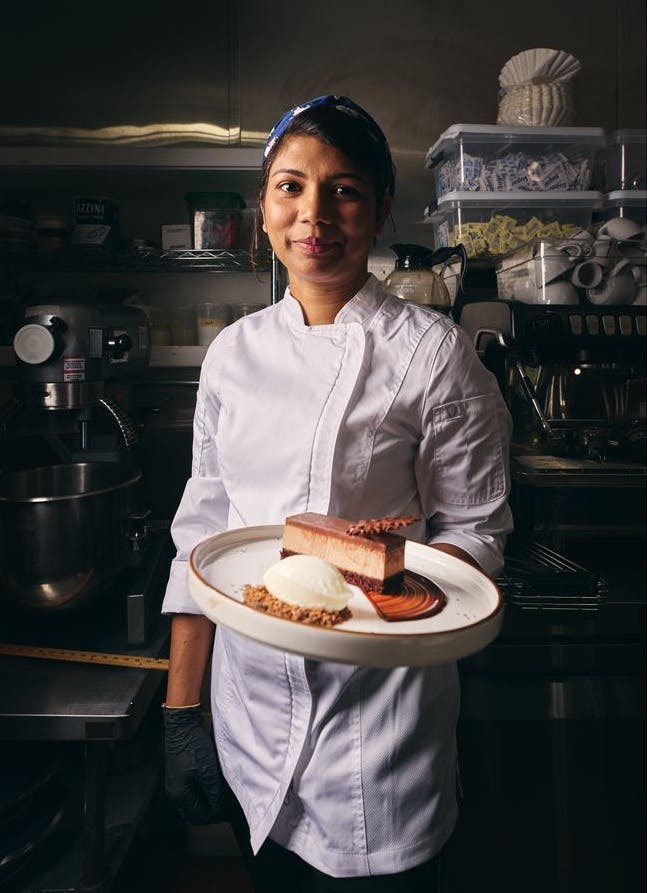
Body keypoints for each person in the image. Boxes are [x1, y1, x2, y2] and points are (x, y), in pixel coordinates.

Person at [161, 94, 513, 892]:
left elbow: (476, 529)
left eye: (343, 190)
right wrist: (183, 712)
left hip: (378, 734)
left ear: (381, 208)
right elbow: (201, 536)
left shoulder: (434, 354)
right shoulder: (232, 355)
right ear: (262, 206)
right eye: (290, 187)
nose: (313, 214)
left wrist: (388, 577)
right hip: (248, 722)